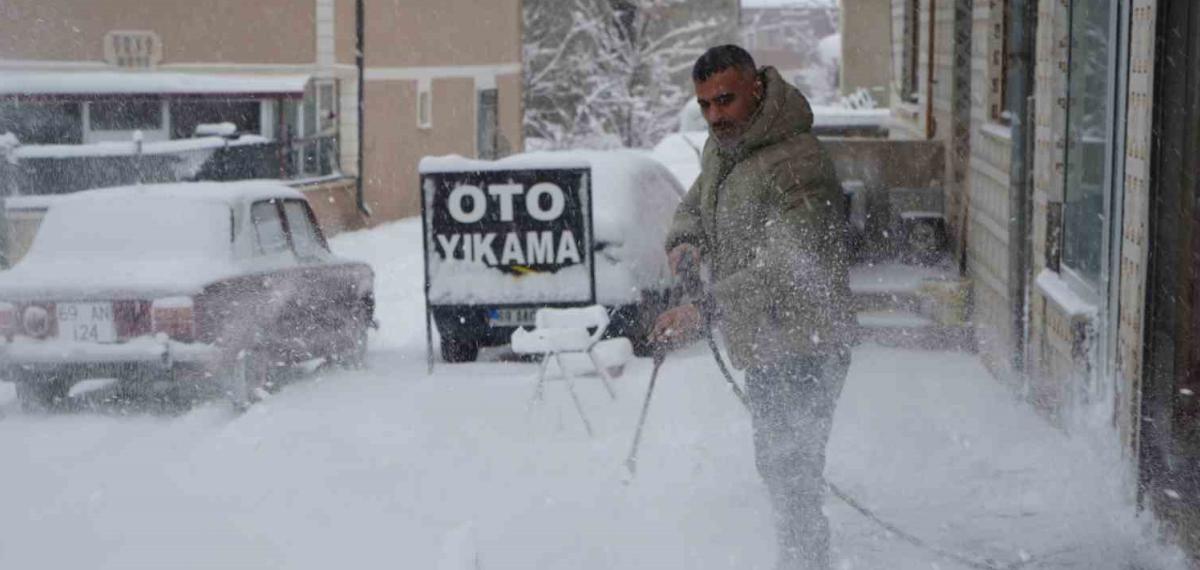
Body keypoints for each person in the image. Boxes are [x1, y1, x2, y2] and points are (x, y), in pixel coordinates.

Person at [652, 45, 855, 569]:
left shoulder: (797, 162)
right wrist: (686, 241)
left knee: (794, 471)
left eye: (725, 100)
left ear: (757, 89)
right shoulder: (725, 150)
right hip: (765, 342)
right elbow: (696, 204)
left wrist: (705, 310)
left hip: (810, 342)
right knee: (778, 467)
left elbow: (793, 262)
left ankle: (807, 561)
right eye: (705, 106)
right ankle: (799, 556)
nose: (715, 116)